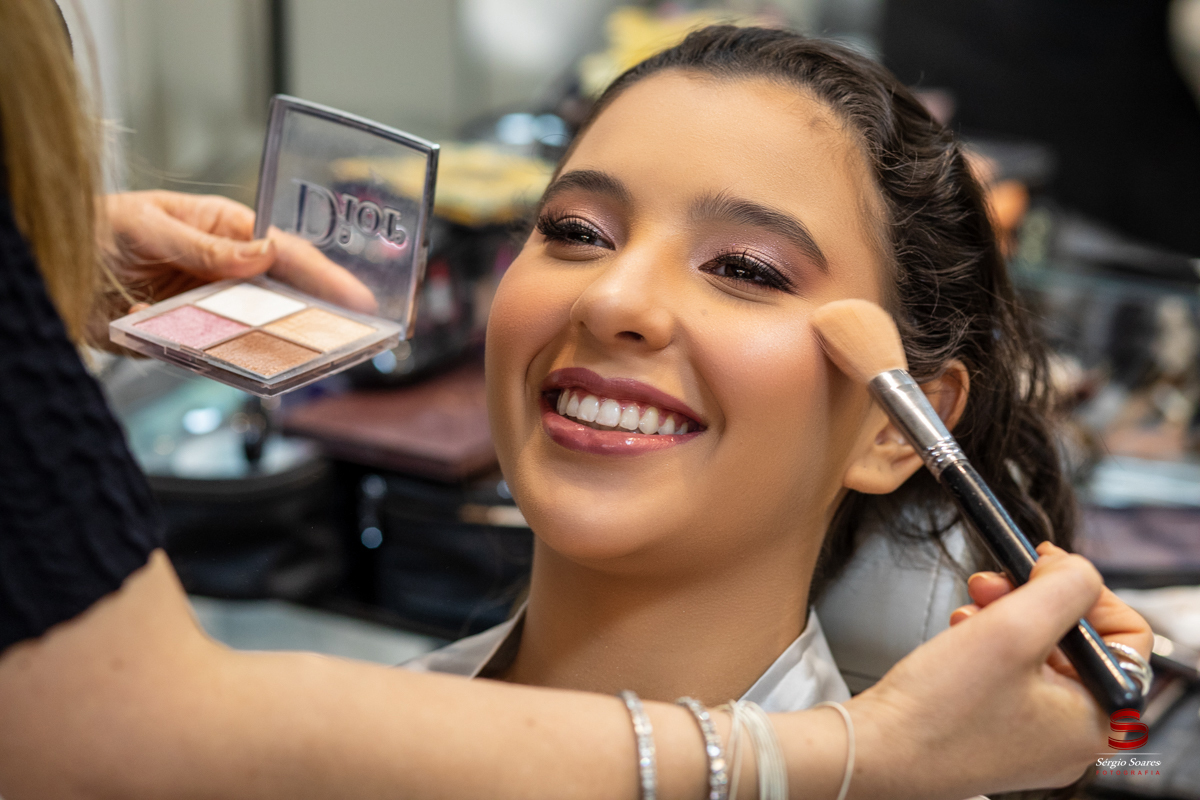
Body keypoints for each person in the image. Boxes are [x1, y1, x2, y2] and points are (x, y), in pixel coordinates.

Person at [0, 0, 1151, 796]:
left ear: (905, 426)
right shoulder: (302, 734)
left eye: (746, 268)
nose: (613, 297)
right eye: (574, 231)